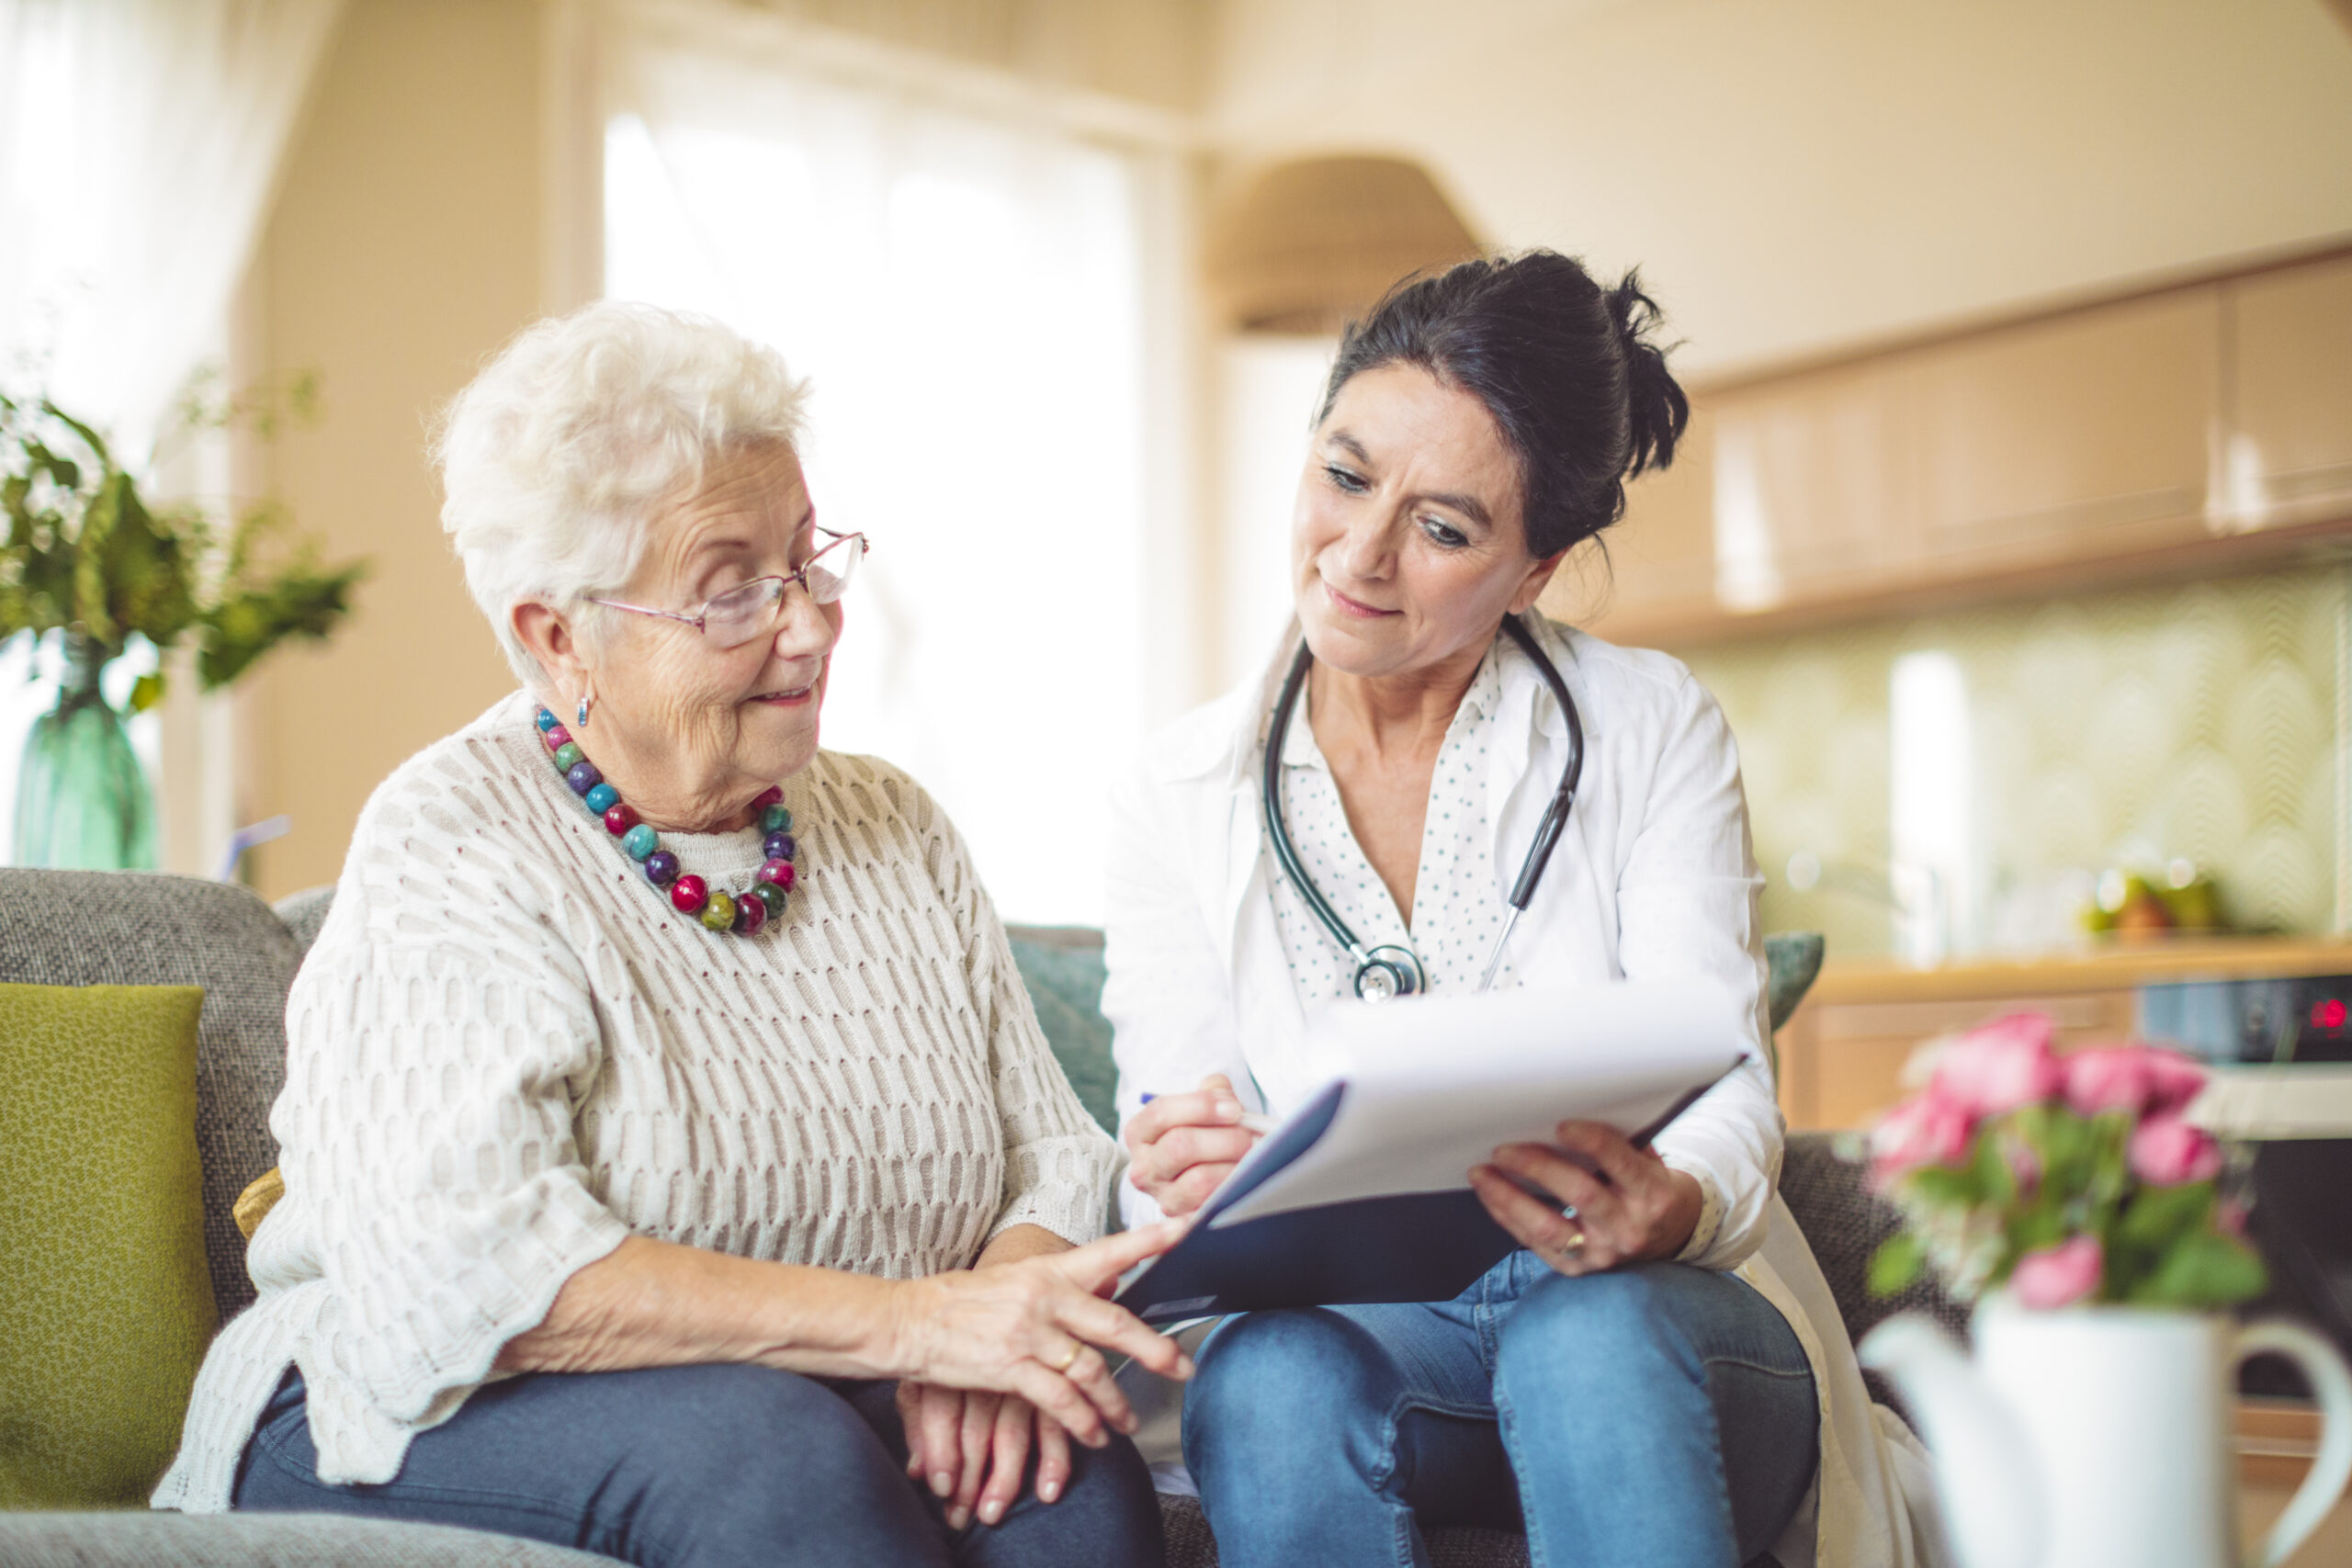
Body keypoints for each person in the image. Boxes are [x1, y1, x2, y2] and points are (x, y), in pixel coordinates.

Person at [153, 301, 1188, 1568]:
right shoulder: (457, 840)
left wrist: (990, 1329)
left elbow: (1052, 1156)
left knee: (1061, 1470)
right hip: (411, 1399)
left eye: (807, 560)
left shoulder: (893, 826)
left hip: (806, 1383)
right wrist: (914, 1328)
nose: (808, 623)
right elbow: (475, 1270)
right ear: (556, 635)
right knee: (771, 1461)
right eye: (732, 593)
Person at [1103, 254, 1939, 1568]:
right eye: (1343, 473)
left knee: (1580, 1336)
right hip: (1390, 1329)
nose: (1361, 554)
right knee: (1265, 1379)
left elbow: (1726, 1089)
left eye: (1443, 529)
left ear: (1536, 569)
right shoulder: (1176, 789)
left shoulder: (1648, 724)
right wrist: (1175, 1163)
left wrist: (1666, 1206)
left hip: (1660, 1322)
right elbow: (1169, 1109)